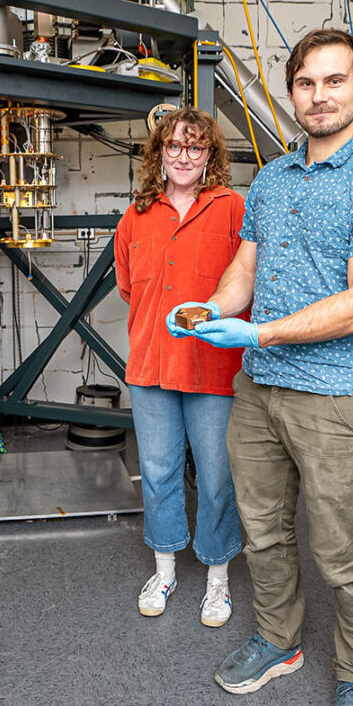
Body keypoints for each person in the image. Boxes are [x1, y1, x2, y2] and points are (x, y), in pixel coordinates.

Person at [168, 29, 353, 706]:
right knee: (265, 530)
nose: (319, 95)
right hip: (259, 393)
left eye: (335, 81)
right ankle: (280, 639)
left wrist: (260, 333)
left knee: (343, 550)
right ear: (293, 91)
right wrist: (214, 310)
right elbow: (242, 273)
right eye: (306, 82)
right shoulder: (272, 182)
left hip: (333, 395)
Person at [114, 107, 246, 628]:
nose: (184, 156)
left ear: (210, 154)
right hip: (151, 364)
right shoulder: (136, 215)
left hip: (213, 367)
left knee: (216, 477)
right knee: (161, 473)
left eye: (195, 147)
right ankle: (164, 569)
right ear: (159, 154)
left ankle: (218, 580)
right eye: (174, 146)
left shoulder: (233, 208)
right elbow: (129, 287)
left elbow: (248, 281)